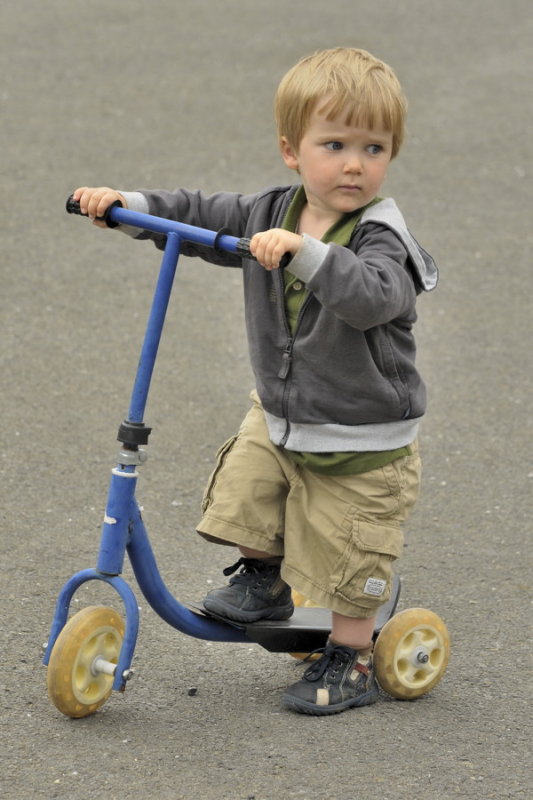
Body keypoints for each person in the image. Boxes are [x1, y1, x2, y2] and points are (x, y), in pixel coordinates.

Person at [72, 46, 438, 716]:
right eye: (334, 144)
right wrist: (128, 203)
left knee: (348, 551)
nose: (354, 163)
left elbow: (374, 296)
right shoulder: (271, 208)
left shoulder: (381, 235)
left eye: (373, 147)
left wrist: (309, 254)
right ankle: (264, 578)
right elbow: (201, 213)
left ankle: (350, 656)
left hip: (361, 433)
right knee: (246, 489)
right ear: (292, 151)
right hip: (282, 412)